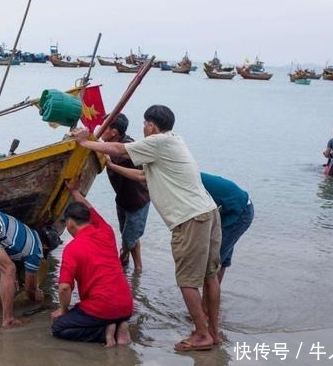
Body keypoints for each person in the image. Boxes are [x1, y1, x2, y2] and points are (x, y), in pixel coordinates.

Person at [72, 105, 222, 351]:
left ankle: (202, 335)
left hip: (190, 219)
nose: (143, 128)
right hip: (208, 212)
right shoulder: (173, 141)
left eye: (145, 123)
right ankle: (213, 333)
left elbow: (120, 148)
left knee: (187, 281)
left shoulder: (158, 142)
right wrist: (112, 166)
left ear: (152, 125)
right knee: (209, 276)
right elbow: (144, 177)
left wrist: (85, 143)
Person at [50, 183, 133, 347]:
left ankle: (106, 332)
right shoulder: (106, 231)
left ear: (70, 224)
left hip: (101, 308)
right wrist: (74, 191)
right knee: (99, 309)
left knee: (58, 328)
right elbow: (90, 208)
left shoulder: (72, 248)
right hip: (126, 306)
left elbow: (64, 288)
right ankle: (120, 324)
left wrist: (63, 310)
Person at [100, 113, 151, 272]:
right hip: (122, 199)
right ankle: (137, 269)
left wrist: (93, 144)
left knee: (128, 240)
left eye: (105, 127)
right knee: (129, 236)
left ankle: (116, 266)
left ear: (114, 132)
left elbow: (115, 154)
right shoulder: (111, 145)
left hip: (137, 201)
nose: (101, 129)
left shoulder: (128, 147)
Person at [200, 173, 253, 286]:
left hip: (239, 211)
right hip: (230, 210)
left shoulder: (187, 181)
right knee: (220, 260)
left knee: (213, 263)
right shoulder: (190, 173)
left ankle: (209, 300)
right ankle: (213, 296)